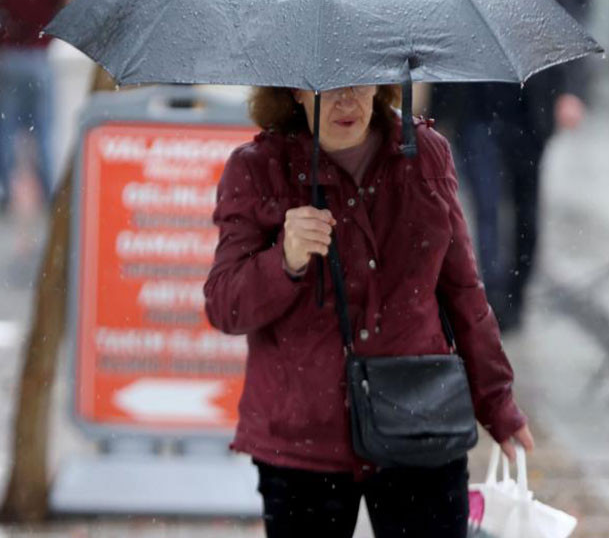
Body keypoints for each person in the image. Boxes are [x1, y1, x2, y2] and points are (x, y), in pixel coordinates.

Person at [204, 83, 535, 536]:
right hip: (303, 436)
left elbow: (463, 290)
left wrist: (497, 402)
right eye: (327, 88)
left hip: (420, 416)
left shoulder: (424, 153)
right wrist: (285, 260)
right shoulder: (257, 168)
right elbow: (225, 305)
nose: (346, 101)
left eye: (359, 82)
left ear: (380, 83)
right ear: (294, 92)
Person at [434, 0, 589, 332]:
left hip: (529, 114)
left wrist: (570, 95)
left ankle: (517, 296)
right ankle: (494, 299)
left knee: (526, 211)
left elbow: (569, 45)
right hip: (474, 115)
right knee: (484, 207)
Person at [0, 0, 73, 211]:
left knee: (5, 128)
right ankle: (48, 192)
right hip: (40, 57)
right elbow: (68, 2)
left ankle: (4, 191)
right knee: (43, 127)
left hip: (8, 57)